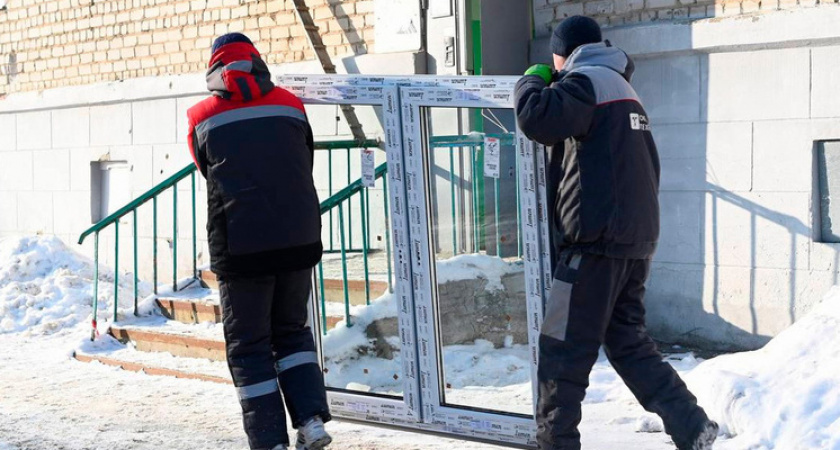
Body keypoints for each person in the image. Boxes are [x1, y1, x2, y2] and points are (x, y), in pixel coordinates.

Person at [514, 16, 718, 450]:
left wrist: (532, 79)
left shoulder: (584, 81)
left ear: (561, 53)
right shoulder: (622, 88)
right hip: (633, 242)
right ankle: (692, 424)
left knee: (562, 354)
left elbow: (537, 119)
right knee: (628, 342)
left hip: (593, 246)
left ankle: (556, 444)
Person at [187, 33, 332, 450]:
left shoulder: (201, 115)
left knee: (249, 346)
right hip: (298, 238)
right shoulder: (290, 103)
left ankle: (270, 440)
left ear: (215, 70)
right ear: (257, 63)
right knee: (291, 331)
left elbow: (205, 168)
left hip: (242, 246)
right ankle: (310, 420)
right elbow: (304, 156)